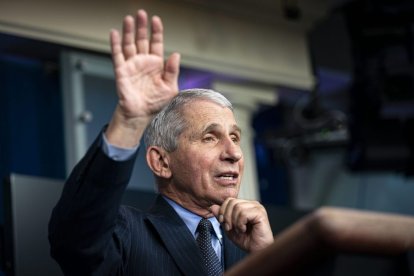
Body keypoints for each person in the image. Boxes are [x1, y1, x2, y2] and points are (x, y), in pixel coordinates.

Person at [49, 9, 274, 275]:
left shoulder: (254, 242)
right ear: (161, 161)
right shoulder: (127, 233)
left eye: (235, 137)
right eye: (210, 137)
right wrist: (130, 120)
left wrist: (270, 258)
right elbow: (76, 241)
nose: (234, 153)